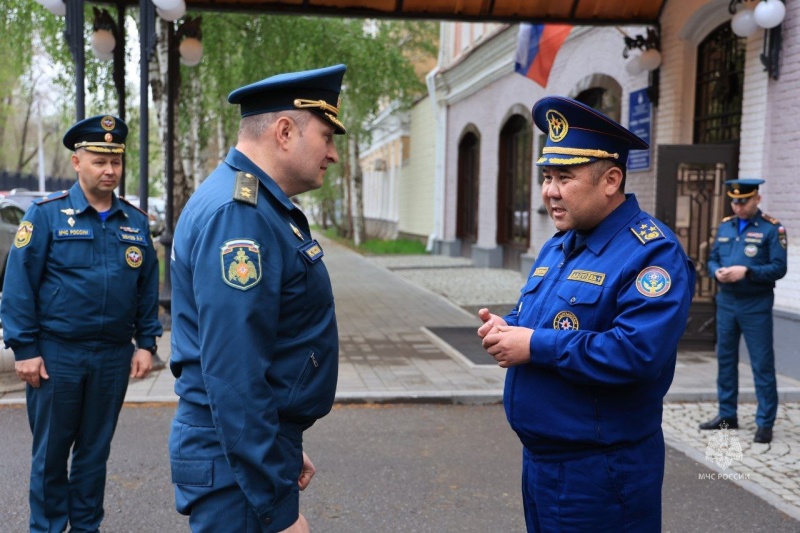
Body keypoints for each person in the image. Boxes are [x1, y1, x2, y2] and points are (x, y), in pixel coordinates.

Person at [477, 96, 695, 532]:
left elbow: (637, 352)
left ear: (611, 180)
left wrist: (534, 345)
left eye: (565, 177)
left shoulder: (652, 252)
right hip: (543, 462)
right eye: (546, 177)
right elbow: (541, 319)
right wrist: (509, 328)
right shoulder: (560, 244)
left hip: (601, 471)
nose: (549, 191)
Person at [168, 64, 345, 533]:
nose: (333, 154)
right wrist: (272, 499)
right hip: (236, 466)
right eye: (327, 136)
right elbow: (234, 370)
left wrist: (280, 442)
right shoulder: (239, 215)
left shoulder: (254, 205)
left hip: (243, 448)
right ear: (285, 131)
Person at [0, 114, 162, 532]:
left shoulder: (134, 222)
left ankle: (87, 528)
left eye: (116, 162)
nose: (109, 170)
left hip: (112, 356)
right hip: (58, 356)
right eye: (99, 161)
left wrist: (146, 343)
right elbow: (18, 285)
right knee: (52, 455)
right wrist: (26, 349)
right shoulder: (46, 215)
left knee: (94, 455)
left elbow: (146, 287)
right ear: (77, 162)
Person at [699, 179, 788, 443]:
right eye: (734, 201)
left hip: (755, 304)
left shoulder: (772, 229)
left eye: (743, 201)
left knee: (761, 364)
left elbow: (779, 268)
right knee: (725, 360)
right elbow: (713, 257)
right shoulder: (726, 225)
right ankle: (727, 415)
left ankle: (765, 422)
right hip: (727, 302)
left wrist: (747, 271)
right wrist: (716, 271)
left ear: (757, 200)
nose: (738, 206)